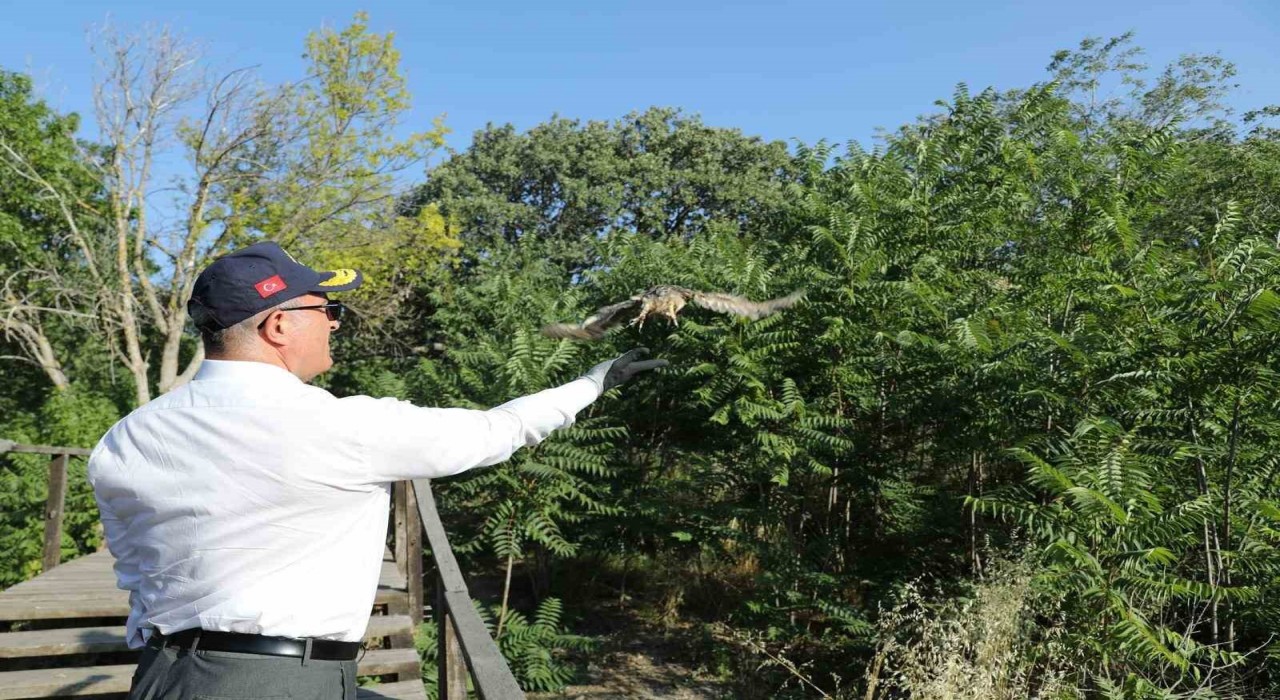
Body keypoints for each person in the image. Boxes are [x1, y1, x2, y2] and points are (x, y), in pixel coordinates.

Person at [87, 241, 666, 700]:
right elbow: (495, 432)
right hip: (279, 683)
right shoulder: (340, 427)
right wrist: (593, 383)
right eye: (327, 309)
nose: (336, 323)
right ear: (279, 326)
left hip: (165, 676)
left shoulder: (126, 437)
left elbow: (136, 570)